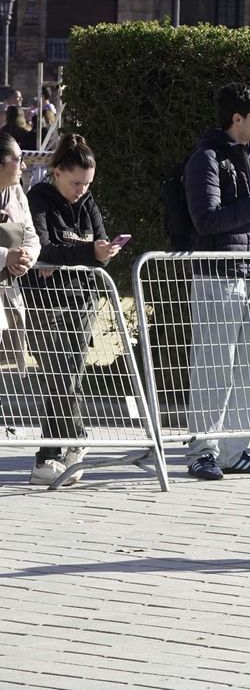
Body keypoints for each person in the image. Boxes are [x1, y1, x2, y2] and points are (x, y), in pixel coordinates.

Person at [183, 83, 250, 480]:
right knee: (214, 364)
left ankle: (234, 450)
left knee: (247, 365)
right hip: (218, 273)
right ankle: (204, 450)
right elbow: (206, 220)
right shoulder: (206, 159)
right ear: (237, 119)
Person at [23, 135, 103, 486]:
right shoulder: (37, 199)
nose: (81, 191)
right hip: (46, 302)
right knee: (60, 374)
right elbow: (43, 247)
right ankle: (74, 439)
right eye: (75, 183)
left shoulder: (87, 203)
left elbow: (99, 239)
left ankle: (53, 455)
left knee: (70, 374)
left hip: (81, 298)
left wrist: (75, 253)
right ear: (56, 173)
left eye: (87, 184)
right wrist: (84, 253)